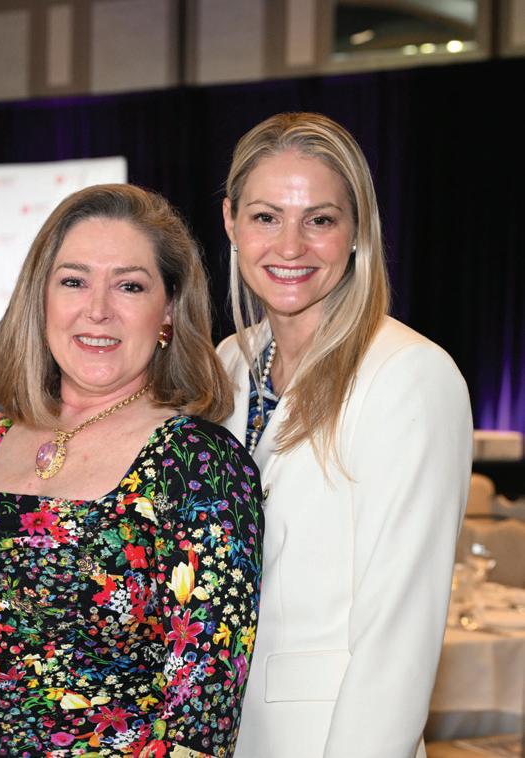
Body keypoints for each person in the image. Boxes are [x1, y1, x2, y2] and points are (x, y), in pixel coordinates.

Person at [0, 184, 264, 756]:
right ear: (41, 298)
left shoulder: (199, 463)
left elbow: (201, 717)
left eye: (129, 285)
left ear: (169, 309)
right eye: (74, 281)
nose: (98, 309)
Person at [218, 112, 472, 758]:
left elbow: (399, 634)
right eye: (266, 217)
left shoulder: (409, 374)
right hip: (217, 733)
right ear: (231, 222)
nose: (290, 246)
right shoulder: (227, 363)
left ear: (357, 232)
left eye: (320, 220)